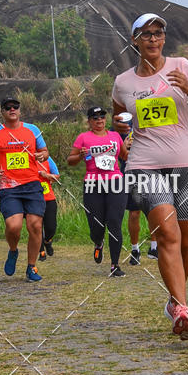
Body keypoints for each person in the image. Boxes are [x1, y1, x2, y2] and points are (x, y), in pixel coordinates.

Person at [112, 13, 188, 339]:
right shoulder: (123, 82)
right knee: (167, 235)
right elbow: (120, 116)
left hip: (187, 164)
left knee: (185, 243)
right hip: (145, 166)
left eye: (158, 33)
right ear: (135, 40)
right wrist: (120, 128)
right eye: (146, 34)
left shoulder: (183, 66)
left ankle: (175, 301)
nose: (153, 39)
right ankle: (183, 312)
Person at [0, 97, 49, 282]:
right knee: (13, 226)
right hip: (9, 186)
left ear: (20, 110)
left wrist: (42, 155)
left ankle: (31, 267)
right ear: (2, 112)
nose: (12, 109)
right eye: (7, 107)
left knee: (35, 225)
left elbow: (45, 151)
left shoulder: (32, 130)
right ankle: (13, 251)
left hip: (32, 183)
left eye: (15, 106)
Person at [67, 107, 130, 277]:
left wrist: (129, 147)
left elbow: (124, 156)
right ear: (89, 121)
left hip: (115, 182)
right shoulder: (83, 138)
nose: (99, 120)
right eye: (95, 117)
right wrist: (80, 155)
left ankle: (115, 265)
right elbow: (70, 161)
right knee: (96, 225)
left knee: (114, 223)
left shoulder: (115, 136)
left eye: (102, 117)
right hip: (92, 184)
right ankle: (98, 242)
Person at [113, 116, 158, 264]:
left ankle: (154, 247)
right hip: (128, 173)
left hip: (147, 172)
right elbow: (114, 155)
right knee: (134, 213)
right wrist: (124, 147)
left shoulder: (146, 124)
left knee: (152, 211)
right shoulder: (115, 131)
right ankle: (135, 249)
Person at [38, 156, 60, 261]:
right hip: (33, 199)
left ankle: (47, 241)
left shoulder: (47, 159)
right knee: (36, 226)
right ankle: (41, 251)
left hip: (49, 198)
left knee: (51, 227)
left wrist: (46, 175)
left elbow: (57, 177)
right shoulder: (26, 157)